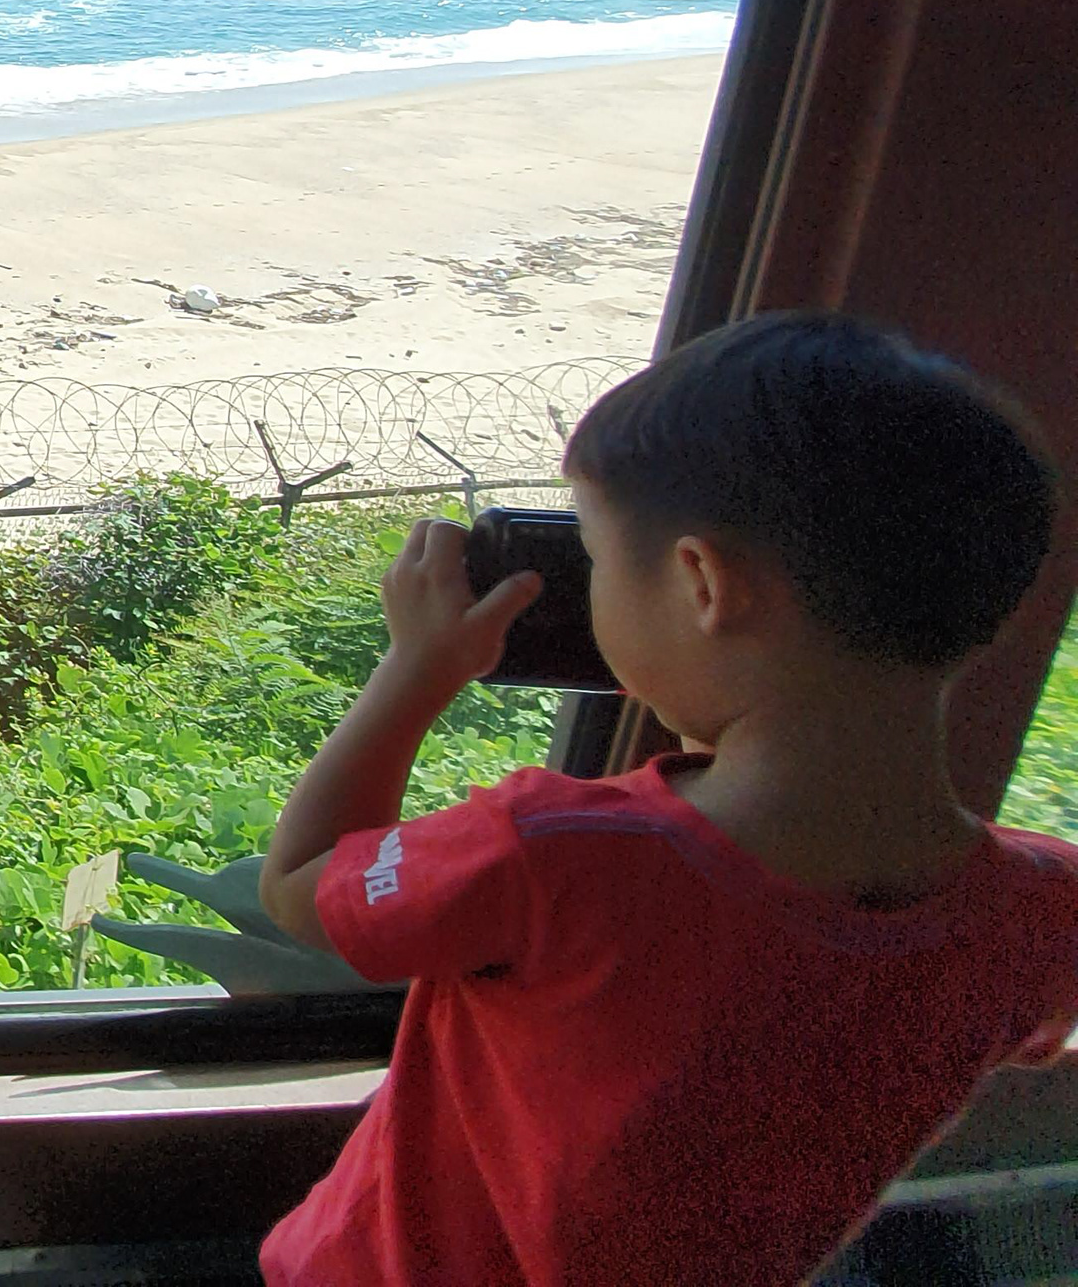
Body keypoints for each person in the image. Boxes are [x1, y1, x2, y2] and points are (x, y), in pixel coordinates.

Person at [252, 311, 1078, 1284]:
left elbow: (299, 886)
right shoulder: (1043, 910)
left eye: (596, 558)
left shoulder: (549, 854)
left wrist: (416, 669)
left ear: (702, 583)